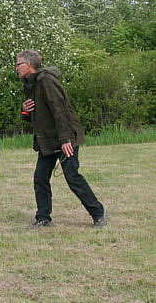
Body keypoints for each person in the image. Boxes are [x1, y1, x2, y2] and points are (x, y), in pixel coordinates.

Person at [16, 49, 106, 227]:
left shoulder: (47, 81)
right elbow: (35, 115)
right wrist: (25, 110)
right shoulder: (30, 85)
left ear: (29, 65)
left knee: (72, 177)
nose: (16, 68)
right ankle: (43, 218)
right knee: (40, 178)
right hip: (47, 140)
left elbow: (60, 110)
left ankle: (98, 212)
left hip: (65, 137)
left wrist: (66, 139)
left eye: (18, 64)